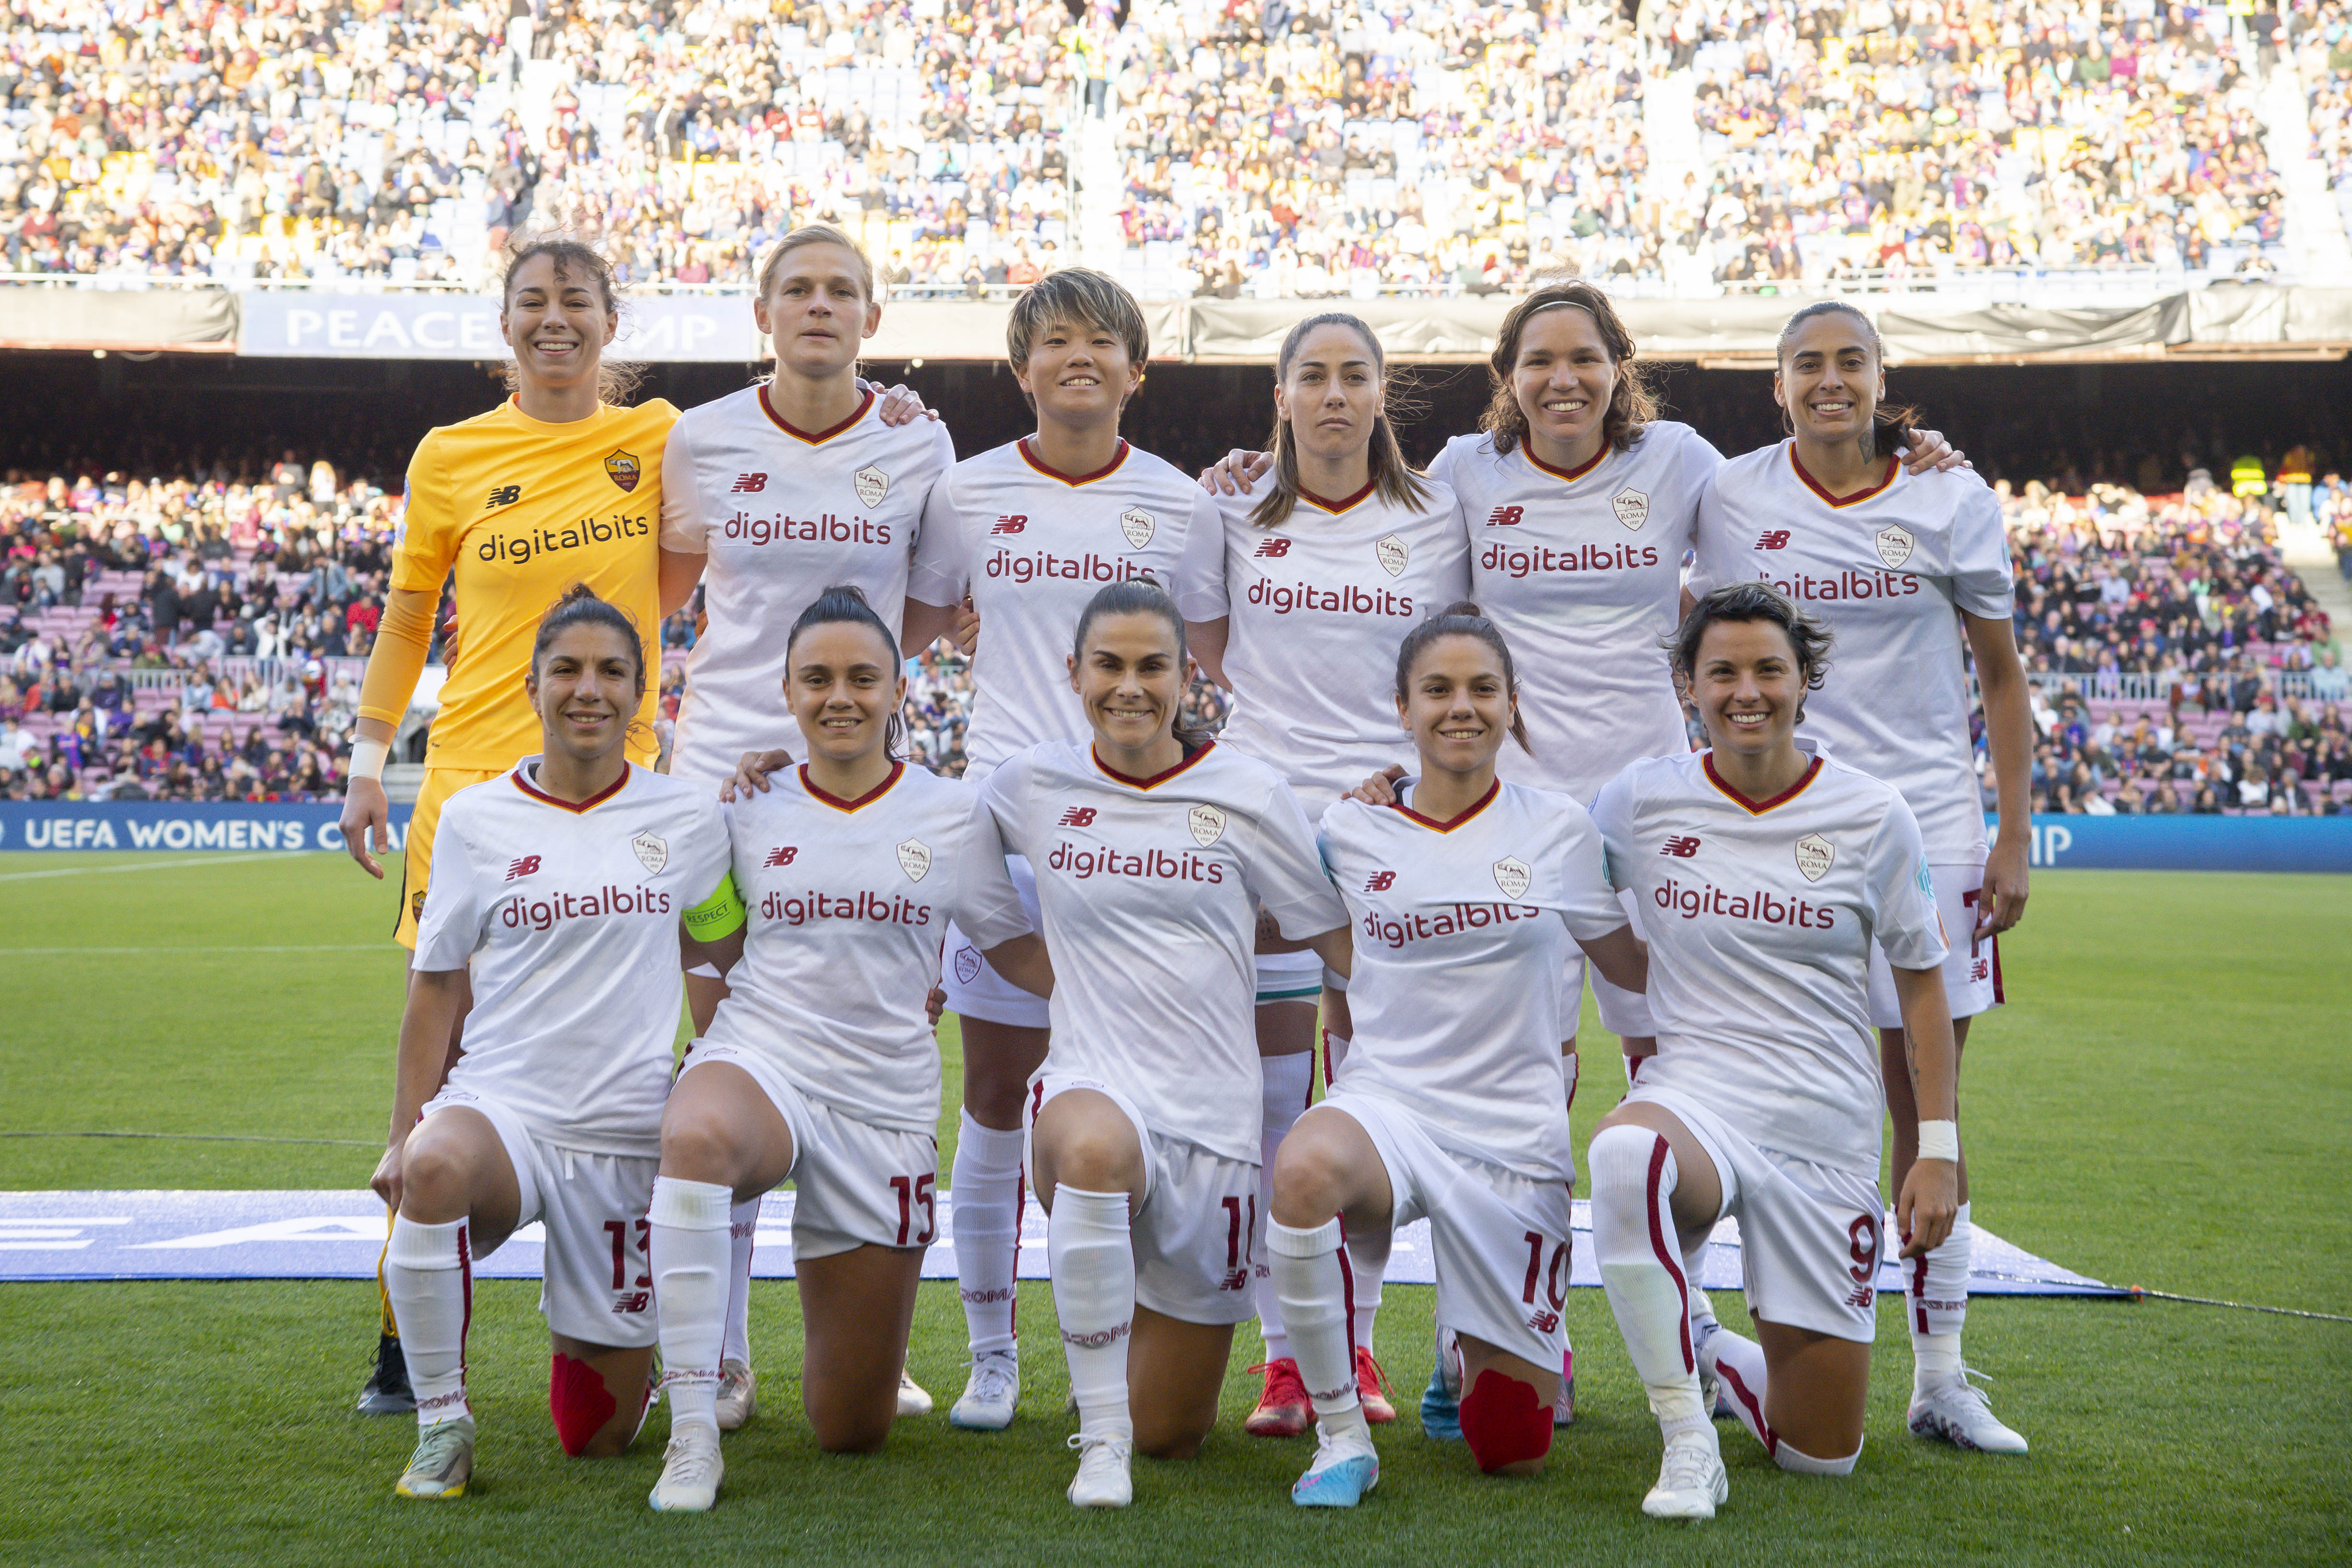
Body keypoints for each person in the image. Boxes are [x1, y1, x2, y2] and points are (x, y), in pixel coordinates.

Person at [1202, 281, 1964, 1433]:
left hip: (1651, 820)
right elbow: (1348, 505)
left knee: (1669, 1057)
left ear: (1619, 366)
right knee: (1502, 1070)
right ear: (1503, 376)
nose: (1562, 379)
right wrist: (1239, 478)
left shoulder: (1684, 464)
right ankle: (1479, 1338)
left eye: (1584, 358)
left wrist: (1908, 449)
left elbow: (1801, 491)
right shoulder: (1464, 471)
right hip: (1505, 817)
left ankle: (1696, 1330)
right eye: (1536, 361)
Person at [340, 236, 687, 1418]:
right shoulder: (451, 454)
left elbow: (700, 557)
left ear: (608, 323)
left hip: (619, 788)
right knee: (440, 1056)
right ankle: (402, 1337)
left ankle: (634, 1296)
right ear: (505, 324)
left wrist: (885, 405)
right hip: (470, 793)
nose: (554, 321)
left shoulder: (659, 439)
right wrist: (369, 757)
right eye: (533, 303)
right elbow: (404, 615)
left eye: (575, 303)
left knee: (618, 1042)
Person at [1689, 300, 2030, 1455]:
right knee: (1744, 1072)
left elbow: (1997, 676)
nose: (1828, 381)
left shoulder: (1949, 493)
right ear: (1774, 385)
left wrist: (2011, 833)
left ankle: (1937, 1377)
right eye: (1806, 365)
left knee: (1920, 1101)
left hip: (1926, 828)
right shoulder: (1728, 494)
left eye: (1849, 362)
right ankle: (1722, 1331)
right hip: (1770, 824)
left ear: (1883, 381)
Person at [641, 588, 1051, 1511]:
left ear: (899, 686)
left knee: (850, 1428)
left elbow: (1015, 951)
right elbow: (705, 940)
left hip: (885, 1102)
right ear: (785, 691)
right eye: (817, 678)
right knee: (697, 1136)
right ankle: (694, 1431)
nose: (840, 697)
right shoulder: (744, 806)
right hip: (763, 1058)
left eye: (863, 677)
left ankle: (844, 1362)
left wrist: (1146, 976)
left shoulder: (950, 815)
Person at [901, 270, 1226, 1430]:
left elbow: (1223, 655)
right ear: (1021, 368)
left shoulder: (1185, 503)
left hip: (1145, 841)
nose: (1077, 358)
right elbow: (908, 632)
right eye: (1054, 342)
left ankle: (1132, 1336)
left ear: (1137, 370)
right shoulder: (964, 491)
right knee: (993, 1096)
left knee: (1138, 1096)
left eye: (1102, 341)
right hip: (1009, 835)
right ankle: (993, 1355)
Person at [657, 222, 963, 1428]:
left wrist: (835, 708)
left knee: (876, 1029)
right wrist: (751, 729)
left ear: (874, 321)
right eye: (798, 289)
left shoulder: (918, 439)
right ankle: (720, 1351)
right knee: (720, 1040)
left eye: (842, 291)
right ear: (762, 313)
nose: (820, 307)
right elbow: (675, 588)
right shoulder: (703, 437)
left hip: (854, 775)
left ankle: (860, 1335)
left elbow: (930, 610)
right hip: (717, 791)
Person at [1586, 582, 1960, 1518]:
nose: (1744, 691)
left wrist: (1934, 1152)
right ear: (1686, 687)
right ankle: (1683, 1438)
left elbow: (1920, 985)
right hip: (1697, 1095)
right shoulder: (1637, 799)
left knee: (1818, 1457)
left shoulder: (1871, 812)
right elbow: (1520, 847)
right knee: (1626, 1154)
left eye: (1767, 669)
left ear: (1804, 682)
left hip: (1823, 1132)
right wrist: (1389, 791)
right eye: (1721, 671)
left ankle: (1709, 1352)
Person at [979, 577, 1350, 1508]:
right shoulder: (1029, 784)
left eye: (1152, 665)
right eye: (1107, 665)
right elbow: (918, 833)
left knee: (1172, 1436)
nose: (1129, 686)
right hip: (1089, 1089)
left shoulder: (1248, 790)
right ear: (1072, 673)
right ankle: (1096, 1442)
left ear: (1189, 677)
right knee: (1095, 1151)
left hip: (1214, 1123)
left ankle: (1120, 1397)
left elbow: (1329, 931)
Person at [1270, 605, 1645, 1506]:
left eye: (1483, 688)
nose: (1460, 707)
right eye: (1436, 689)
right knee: (1303, 1168)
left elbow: (1632, 964)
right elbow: (1298, 939)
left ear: (1513, 703)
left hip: (1513, 1133)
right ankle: (1340, 1436)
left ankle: (1461, 1345)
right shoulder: (1349, 829)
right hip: (1389, 1106)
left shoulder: (1557, 827)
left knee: (1510, 1448)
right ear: (1402, 707)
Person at [371, 587, 735, 1499]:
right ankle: (441, 1422)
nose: (589, 689)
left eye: (612, 671)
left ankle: (628, 1363)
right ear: (533, 686)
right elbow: (438, 981)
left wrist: (720, 1067)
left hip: (626, 1137)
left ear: (640, 692)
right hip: (507, 1112)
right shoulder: (473, 818)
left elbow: (721, 952)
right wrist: (399, 1130)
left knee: (593, 1437)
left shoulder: (687, 819)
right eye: (566, 669)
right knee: (434, 1164)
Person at [1182, 310, 1471, 1436]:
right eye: (1314, 376)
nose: (1336, 395)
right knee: (1266, 1102)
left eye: (1356, 376)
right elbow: (1213, 654)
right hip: (1260, 827)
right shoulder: (1232, 505)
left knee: (1373, 1091)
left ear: (1380, 392)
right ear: (1282, 395)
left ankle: (1355, 1343)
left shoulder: (1439, 509)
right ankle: (1285, 1357)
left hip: (1392, 833)